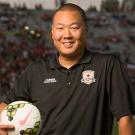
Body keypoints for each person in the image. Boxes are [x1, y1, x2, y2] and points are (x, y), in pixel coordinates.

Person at [0, 3, 135, 135]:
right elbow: (5, 104)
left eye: (74, 28)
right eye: (60, 28)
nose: (67, 35)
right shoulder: (36, 70)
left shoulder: (107, 65)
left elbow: (125, 119)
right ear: (52, 33)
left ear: (85, 30)